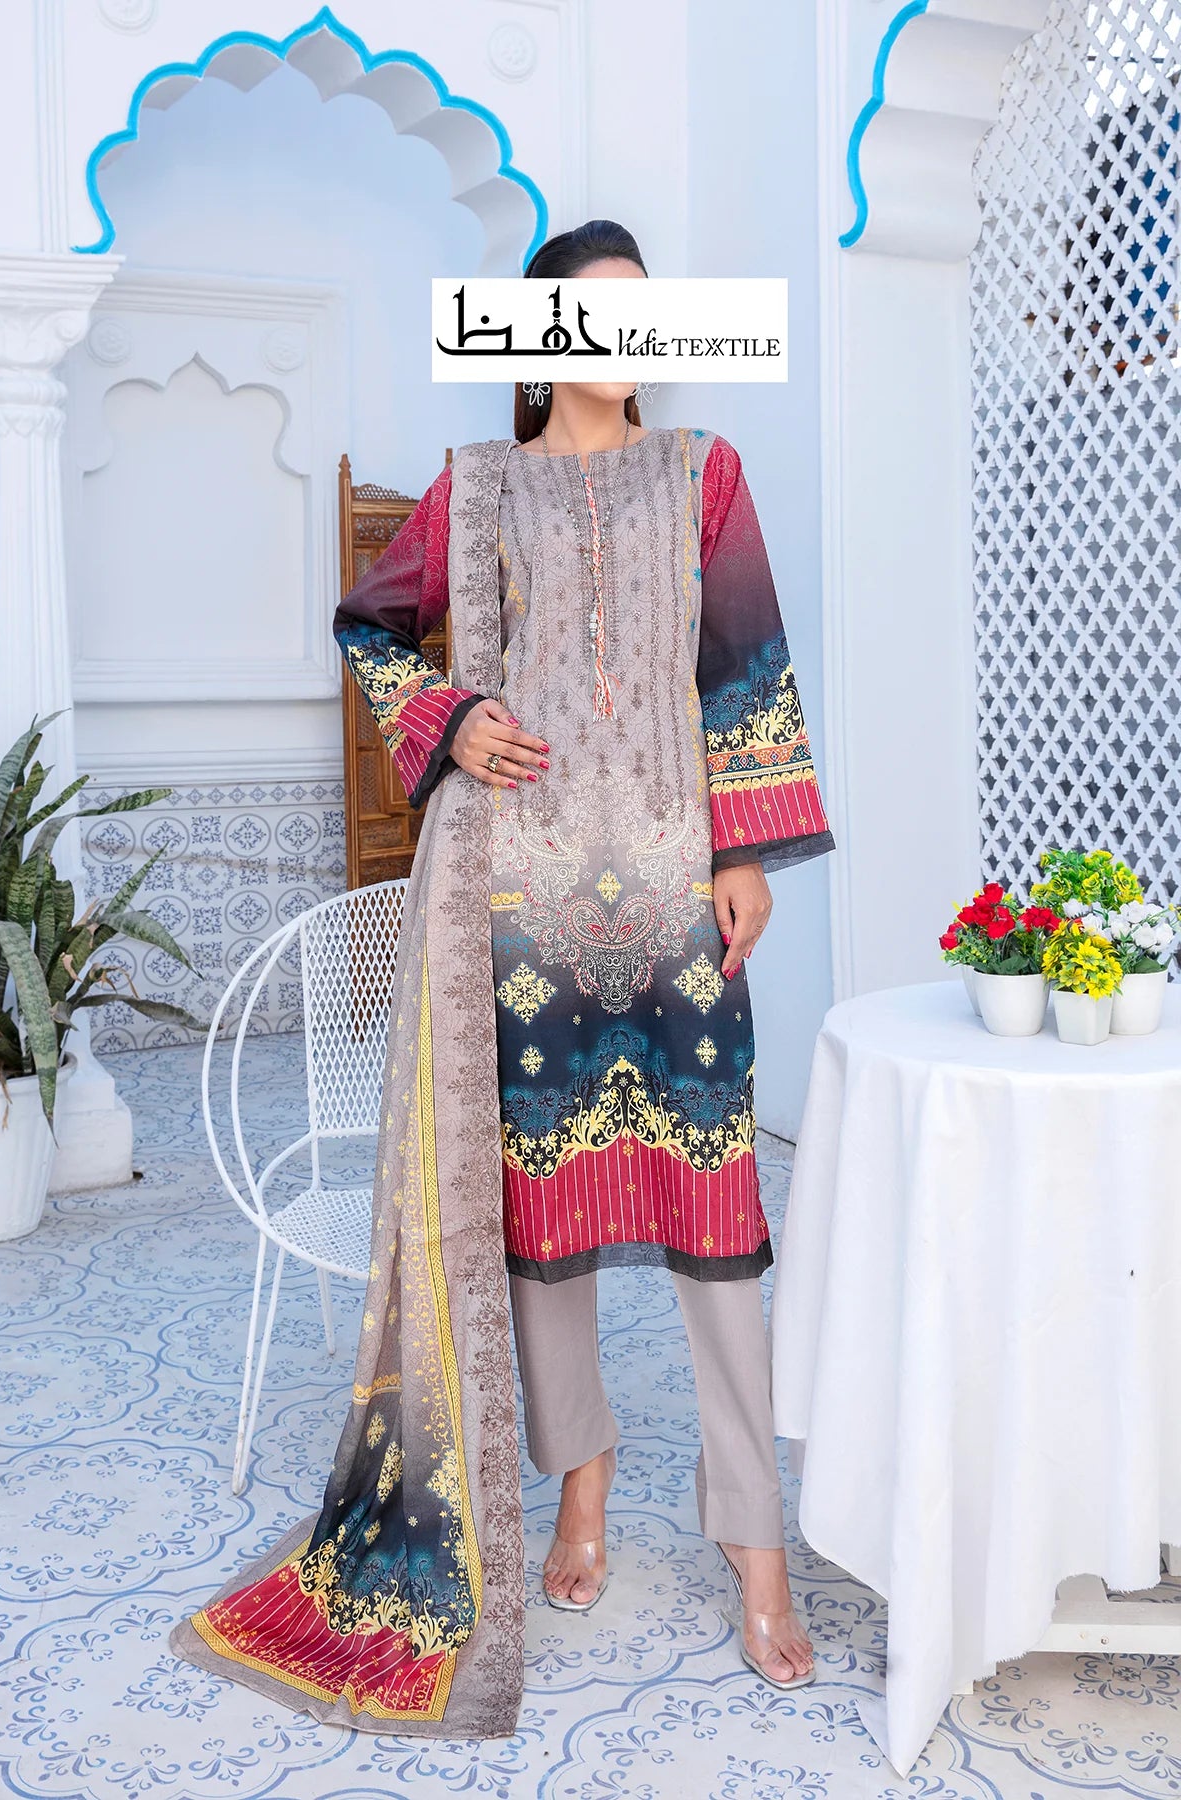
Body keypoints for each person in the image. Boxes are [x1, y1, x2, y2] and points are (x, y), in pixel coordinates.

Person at [170, 219, 833, 1737]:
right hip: (519, 896)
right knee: (544, 1219)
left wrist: (746, 850)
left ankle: (757, 1544)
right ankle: (579, 1485)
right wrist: (456, 719)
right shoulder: (477, 487)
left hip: (674, 891)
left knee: (716, 1217)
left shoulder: (706, 473)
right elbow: (368, 628)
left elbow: (745, 668)